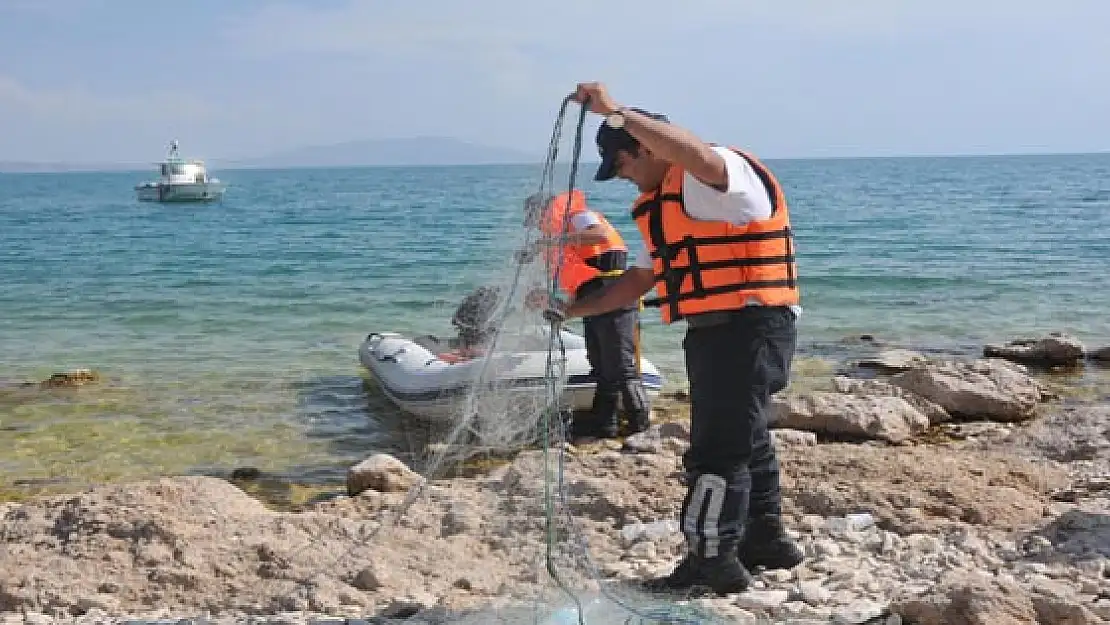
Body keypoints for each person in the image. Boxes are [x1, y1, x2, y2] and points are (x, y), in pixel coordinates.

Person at [527, 82, 804, 596]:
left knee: (715, 453)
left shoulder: (715, 175)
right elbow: (636, 282)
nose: (626, 181)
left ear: (646, 146)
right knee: (750, 439)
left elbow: (695, 151)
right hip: (726, 332)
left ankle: (711, 565)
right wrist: (570, 310)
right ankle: (766, 542)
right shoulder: (673, 207)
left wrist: (614, 112)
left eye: (625, 167)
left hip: (747, 329)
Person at [518, 190, 651, 438]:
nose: (538, 227)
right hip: (592, 299)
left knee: (621, 366)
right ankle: (605, 423)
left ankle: (640, 426)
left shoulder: (578, 216)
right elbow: (580, 287)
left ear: (547, 210)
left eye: (537, 219)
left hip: (614, 292)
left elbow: (598, 235)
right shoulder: (564, 236)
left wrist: (548, 243)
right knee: (600, 363)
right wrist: (547, 300)